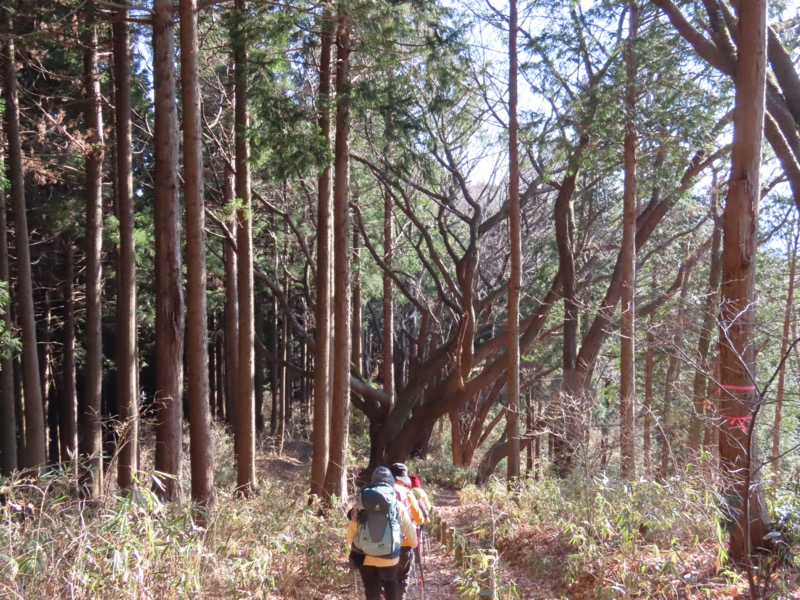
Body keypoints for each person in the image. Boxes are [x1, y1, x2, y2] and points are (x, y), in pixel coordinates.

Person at [347, 466, 418, 600]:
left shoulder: (363, 502)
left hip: (366, 554)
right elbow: (409, 528)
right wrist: (414, 544)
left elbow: (353, 524)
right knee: (390, 584)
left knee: (371, 589)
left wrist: (350, 541)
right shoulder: (396, 504)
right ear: (391, 482)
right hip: (389, 555)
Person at [390, 463, 424, 600]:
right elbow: (420, 519)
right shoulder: (407, 493)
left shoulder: (380, 492)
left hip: (380, 542)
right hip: (403, 542)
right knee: (402, 577)